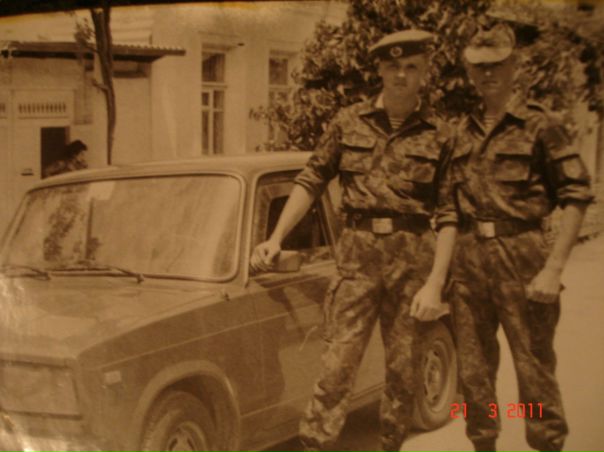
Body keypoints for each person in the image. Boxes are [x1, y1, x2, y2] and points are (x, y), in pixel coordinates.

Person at [250, 30, 458, 452]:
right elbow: (311, 179)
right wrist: (275, 237)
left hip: (413, 261)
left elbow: (451, 213)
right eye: (393, 66)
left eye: (411, 67)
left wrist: (436, 283)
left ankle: (391, 446)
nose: (401, 75)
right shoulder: (348, 122)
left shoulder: (441, 134)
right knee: (336, 368)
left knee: (404, 373)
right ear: (379, 69)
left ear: (425, 72)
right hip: (357, 260)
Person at [442, 24, 594, 452]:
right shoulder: (460, 132)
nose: (487, 74)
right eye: (478, 67)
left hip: (524, 260)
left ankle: (547, 444)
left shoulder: (540, 126)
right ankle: (483, 444)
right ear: (468, 72)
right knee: (474, 373)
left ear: (515, 66)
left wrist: (554, 268)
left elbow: (577, 194)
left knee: (534, 371)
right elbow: (447, 205)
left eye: (496, 65)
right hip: (469, 264)